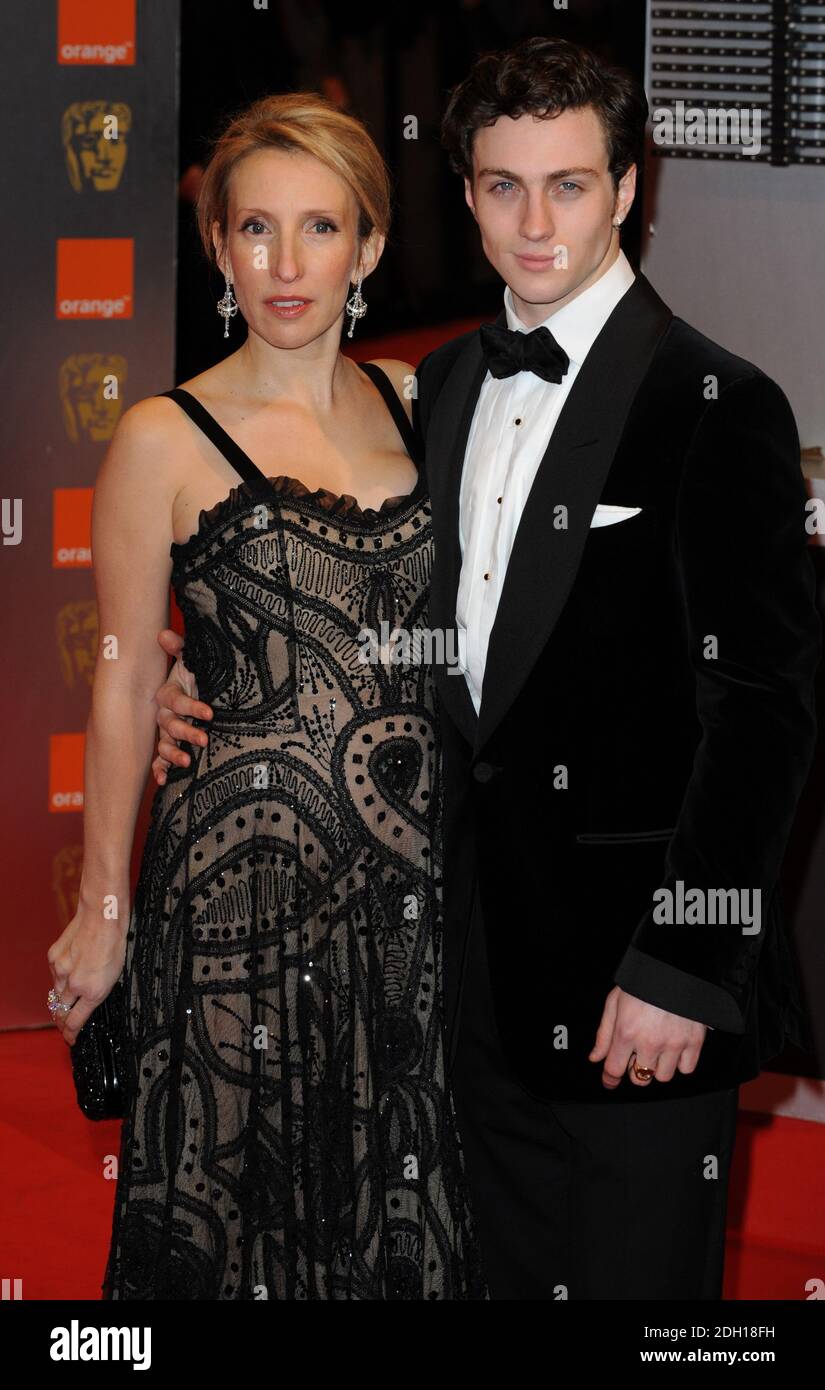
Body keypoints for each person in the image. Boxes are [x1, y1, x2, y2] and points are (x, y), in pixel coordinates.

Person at [152, 40, 821, 1300]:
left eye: (568, 185)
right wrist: (200, 684)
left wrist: (685, 961)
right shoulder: (441, 388)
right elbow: (389, 626)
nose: (535, 220)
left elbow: (767, 712)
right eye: (503, 186)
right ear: (464, 194)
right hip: (458, 972)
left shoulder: (719, 401)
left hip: (640, 983)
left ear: (628, 190)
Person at [46, 92, 487, 1301]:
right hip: (237, 908)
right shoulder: (161, 437)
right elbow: (128, 672)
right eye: (255, 230)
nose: (287, 265)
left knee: (402, 1206)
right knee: (234, 1224)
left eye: (320, 229)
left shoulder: (423, 400)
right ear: (220, 248)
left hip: (411, 904)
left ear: (372, 246)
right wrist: (104, 903)